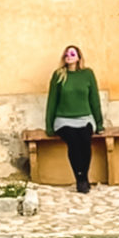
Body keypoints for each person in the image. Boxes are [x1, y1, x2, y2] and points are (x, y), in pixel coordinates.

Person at [44, 44, 103, 193]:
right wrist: (49, 126)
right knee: (74, 142)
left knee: (85, 141)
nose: (69, 56)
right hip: (64, 119)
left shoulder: (87, 74)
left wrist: (99, 123)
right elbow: (52, 101)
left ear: (79, 57)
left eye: (72, 54)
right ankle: (80, 179)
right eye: (66, 54)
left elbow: (94, 99)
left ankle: (84, 176)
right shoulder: (59, 75)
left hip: (85, 118)